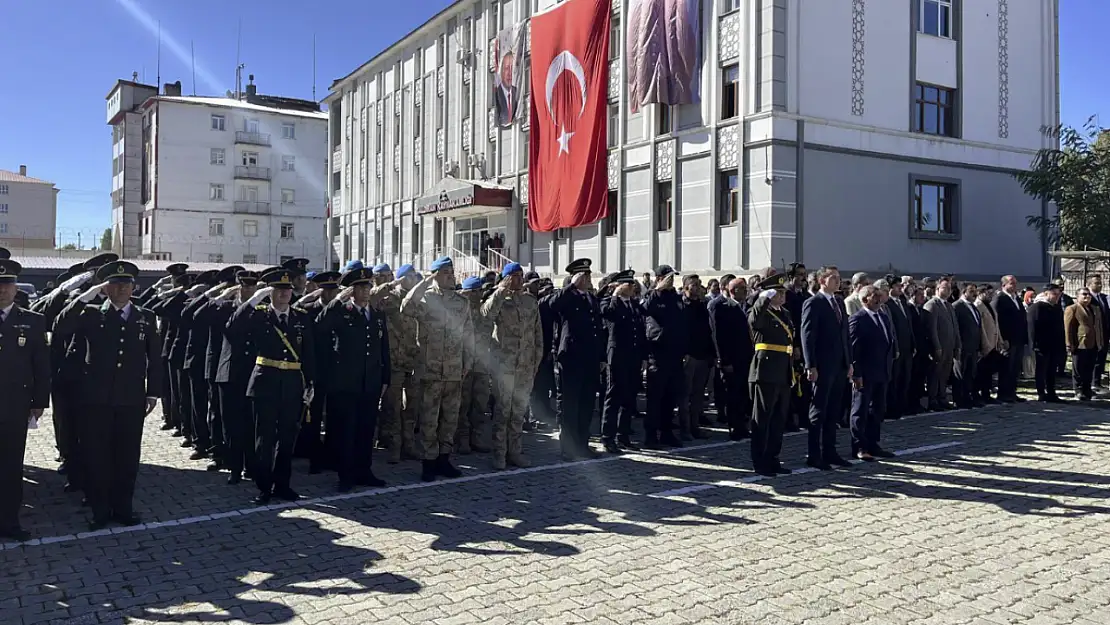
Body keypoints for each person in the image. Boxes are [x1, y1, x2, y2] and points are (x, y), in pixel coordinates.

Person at [53, 261, 162, 530]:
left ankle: (124, 508)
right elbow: (60, 325)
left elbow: (155, 358)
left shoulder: (145, 316)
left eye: (126, 284)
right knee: (97, 456)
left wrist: (154, 393)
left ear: (134, 287)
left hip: (131, 398)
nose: (122, 288)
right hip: (95, 398)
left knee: (127, 457)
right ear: (107, 288)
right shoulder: (91, 313)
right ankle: (100, 511)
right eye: (115, 283)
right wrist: (88, 294)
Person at [227, 268, 317, 504]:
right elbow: (232, 327)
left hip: (292, 385)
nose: (283, 294)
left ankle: (283, 484)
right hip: (265, 383)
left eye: (287, 290)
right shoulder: (259, 315)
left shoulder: (300, 317)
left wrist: (310, 382)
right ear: (271, 293)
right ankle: (264, 486)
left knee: (287, 438)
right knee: (264, 438)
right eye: (278, 290)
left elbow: (309, 353)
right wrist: (255, 297)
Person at [315, 267, 389, 491]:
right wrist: (337, 301)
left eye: (368, 287)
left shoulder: (376, 315)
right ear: (352, 291)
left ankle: (364, 471)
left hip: (370, 382)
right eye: (360, 287)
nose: (366, 292)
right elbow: (320, 325)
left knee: (366, 430)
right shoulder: (341, 312)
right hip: (346, 384)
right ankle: (345, 475)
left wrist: (386, 377)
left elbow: (383, 349)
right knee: (346, 432)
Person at [401, 256, 473, 481]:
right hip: (430, 371)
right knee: (429, 419)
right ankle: (429, 462)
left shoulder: (462, 302)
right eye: (446, 272)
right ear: (435, 275)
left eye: (452, 272)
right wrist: (424, 283)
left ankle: (444, 459)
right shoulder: (426, 299)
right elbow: (406, 307)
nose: (451, 275)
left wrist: (467, 362)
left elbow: (469, 335)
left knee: (450, 418)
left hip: (453, 370)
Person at [0, 259, 51, 541]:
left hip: (14, 406)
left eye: (6, 284)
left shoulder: (32, 321)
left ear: (15, 287)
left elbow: (41, 365)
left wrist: (39, 401)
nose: (1, 290)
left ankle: (9, 522)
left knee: (10, 467)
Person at [482, 262, 544, 469]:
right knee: (502, 412)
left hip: (525, 365)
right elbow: (486, 317)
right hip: (504, 365)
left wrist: (536, 360)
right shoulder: (498, 299)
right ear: (506, 278)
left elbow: (537, 334)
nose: (518, 279)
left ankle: (515, 452)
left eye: (520, 275)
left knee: (518, 413)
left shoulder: (530, 301)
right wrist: (500, 291)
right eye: (514, 276)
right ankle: (499, 454)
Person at [545, 259, 604, 460]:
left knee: (587, 403)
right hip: (571, 358)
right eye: (584, 276)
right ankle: (568, 448)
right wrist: (571, 286)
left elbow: (598, 328)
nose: (588, 279)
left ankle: (582, 444)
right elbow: (552, 305)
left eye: (589, 275)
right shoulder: (568, 296)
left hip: (590, 358)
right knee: (570, 405)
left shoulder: (590, 298)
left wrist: (601, 356)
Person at [210, 271, 261, 484]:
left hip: (252, 372)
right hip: (230, 373)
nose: (248, 290)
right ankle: (234, 467)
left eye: (252, 287)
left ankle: (251, 465)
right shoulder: (226, 307)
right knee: (231, 423)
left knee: (251, 423)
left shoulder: (261, 309)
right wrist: (221, 295)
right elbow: (198, 316)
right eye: (244, 286)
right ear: (238, 287)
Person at [800, 266, 852, 470]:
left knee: (833, 411)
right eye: (833, 278)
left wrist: (849, 363)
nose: (838, 281)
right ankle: (814, 454)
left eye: (839, 278)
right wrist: (810, 364)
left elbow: (845, 336)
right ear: (822, 281)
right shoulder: (813, 303)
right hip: (822, 365)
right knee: (818, 411)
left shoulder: (838, 302)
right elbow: (808, 336)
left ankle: (830, 451)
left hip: (839, 365)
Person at [291, 271, 341, 472]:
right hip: (317, 370)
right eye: (327, 290)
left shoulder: (342, 310)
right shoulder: (308, 311)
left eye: (334, 289)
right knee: (313, 417)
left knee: (336, 415)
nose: (331, 294)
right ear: (320, 290)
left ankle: (333, 454)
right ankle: (315, 459)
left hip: (337, 370)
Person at [374, 264, 424, 463]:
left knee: (412, 406)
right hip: (394, 360)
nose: (413, 280)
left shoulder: (419, 299)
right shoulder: (390, 298)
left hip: (413, 359)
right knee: (392, 407)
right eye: (409, 277)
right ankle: (394, 448)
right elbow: (372, 298)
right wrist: (392, 284)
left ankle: (409, 445)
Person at [747, 273, 794, 476]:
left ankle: (773, 458)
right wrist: (763, 298)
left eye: (783, 293)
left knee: (778, 419)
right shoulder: (761, 313)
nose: (782, 296)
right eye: (778, 293)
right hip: (765, 371)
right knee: (763, 419)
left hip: (783, 371)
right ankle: (760, 461)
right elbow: (754, 320)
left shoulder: (785, 314)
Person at [598, 270, 646, 453]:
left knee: (629, 398)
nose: (632, 287)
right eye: (628, 283)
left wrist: (642, 356)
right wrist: (615, 295)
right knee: (614, 396)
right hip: (617, 356)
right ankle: (607, 437)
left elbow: (640, 331)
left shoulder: (634, 305)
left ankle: (623, 435)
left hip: (633, 356)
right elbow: (606, 313)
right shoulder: (610, 302)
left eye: (632, 284)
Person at [847, 285, 896, 462]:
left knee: (878, 409)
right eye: (874, 296)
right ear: (865, 299)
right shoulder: (858, 319)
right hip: (865, 373)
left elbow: (889, 342)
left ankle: (873, 443)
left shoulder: (883, 317)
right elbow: (854, 349)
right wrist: (856, 374)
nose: (878, 299)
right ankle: (859, 446)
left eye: (879, 295)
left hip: (882, 371)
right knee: (860, 410)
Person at [641, 265, 687, 449]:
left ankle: (667, 433)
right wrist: (657, 289)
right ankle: (650, 436)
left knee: (671, 397)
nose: (671, 281)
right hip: (657, 355)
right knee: (655, 398)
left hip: (675, 355)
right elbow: (644, 309)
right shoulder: (652, 296)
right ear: (659, 278)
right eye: (668, 278)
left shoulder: (674, 298)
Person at [456, 276, 493, 454]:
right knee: (463, 404)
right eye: (475, 291)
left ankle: (476, 437)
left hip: (482, 365)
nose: (479, 294)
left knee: (480, 403)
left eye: (480, 291)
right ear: (466, 293)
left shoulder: (483, 310)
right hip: (464, 364)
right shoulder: (460, 310)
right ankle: (462, 439)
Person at [923, 278, 960, 411]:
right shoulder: (932, 304)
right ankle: (933, 400)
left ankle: (942, 398)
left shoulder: (949, 305)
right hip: (939, 347)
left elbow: (955, 327)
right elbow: (931, 329)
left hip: (949, 346)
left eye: (949, 288)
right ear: (937, 289)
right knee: (935, 374)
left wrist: (957, 344)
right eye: (945, 287)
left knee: (944, 374)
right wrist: (936, 346)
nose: (948, 290)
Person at [881, 278, 914, 420]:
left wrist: (913, 343)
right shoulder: (887, 304)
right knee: (894, 379)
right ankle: (892, 408)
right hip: (897, 348)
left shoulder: (902, 302)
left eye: (901, 286)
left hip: (907, 347)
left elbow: (909, 325)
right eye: (897, 286)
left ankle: (902, 406)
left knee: (905, 378)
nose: (900, 288)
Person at [992, 275, 1028, 403]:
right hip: (1007, 339)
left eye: (1015, 284)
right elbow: (997, 321)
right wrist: (1002, 339)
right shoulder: (999, 298)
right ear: (1004, 285)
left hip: (1018, 338)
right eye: (1011, 284)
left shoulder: (1016, 298)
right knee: (1006, 367)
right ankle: (1004, 393)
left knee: (1015, 368)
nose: (1014, 286)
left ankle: (1012, 392)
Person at [1027, 283, 1066, 403]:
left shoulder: (1056, 307)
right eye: (1054, 294)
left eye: (1058, 294)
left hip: (1054, 344)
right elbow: (1032, 327)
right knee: (1041, 370)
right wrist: (1034, 344)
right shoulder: (1037, 307)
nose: (1056, 297)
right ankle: (1041, 392)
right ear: (1046, 293)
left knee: (1051, 370)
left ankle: (1051, 392)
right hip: (1042, 345)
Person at [1064, 287, 1105, 401]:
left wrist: (1100, 340)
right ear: (1077, 297)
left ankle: (1087, 389)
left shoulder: (1094, 308)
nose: (1087, 297)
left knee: (1089, 367)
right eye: (1084, 295)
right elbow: (1068, 328)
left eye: (1088, 295)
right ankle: (1078, 390)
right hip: (1080, 343)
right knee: (1078, 368)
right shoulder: (1072, 309)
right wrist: (1069, 343)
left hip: (1093, 343)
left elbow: (1099, 326)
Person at [952, 283, 983, 409]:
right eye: (971, 291)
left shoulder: (974, 307)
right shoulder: (957, 306)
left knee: (970, 374)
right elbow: (956, 328)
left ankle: (967, 397)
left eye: (975, 291)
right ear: (964, 292)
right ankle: (959, 399)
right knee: (960, 374)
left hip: (973, 347)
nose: (974, 294)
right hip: (962, 347)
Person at [975, 284, 1004, 403]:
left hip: (993, 343)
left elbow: (995, 324)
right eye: (988, 293)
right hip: (984, 344)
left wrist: (1000, 340)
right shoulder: (978, 306)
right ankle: (979, 393)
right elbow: (981, 327)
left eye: (992, 293)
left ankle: (987, 394)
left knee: (989, 371)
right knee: (981, 371)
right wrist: (984, 343)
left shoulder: (990, 306)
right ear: (981, 293)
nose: (991, 296)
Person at [1087, 275, 1110, 389]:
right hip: (1094, 334)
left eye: (1100, 283)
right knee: (1094, 359)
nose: (1099, 285)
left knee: (1101, 359)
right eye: (1096, 283)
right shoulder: (1088, 298)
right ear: (1089, 284)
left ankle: (1098, 381)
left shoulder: (1103, 298)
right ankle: (1093, 382)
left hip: (1104, 334)